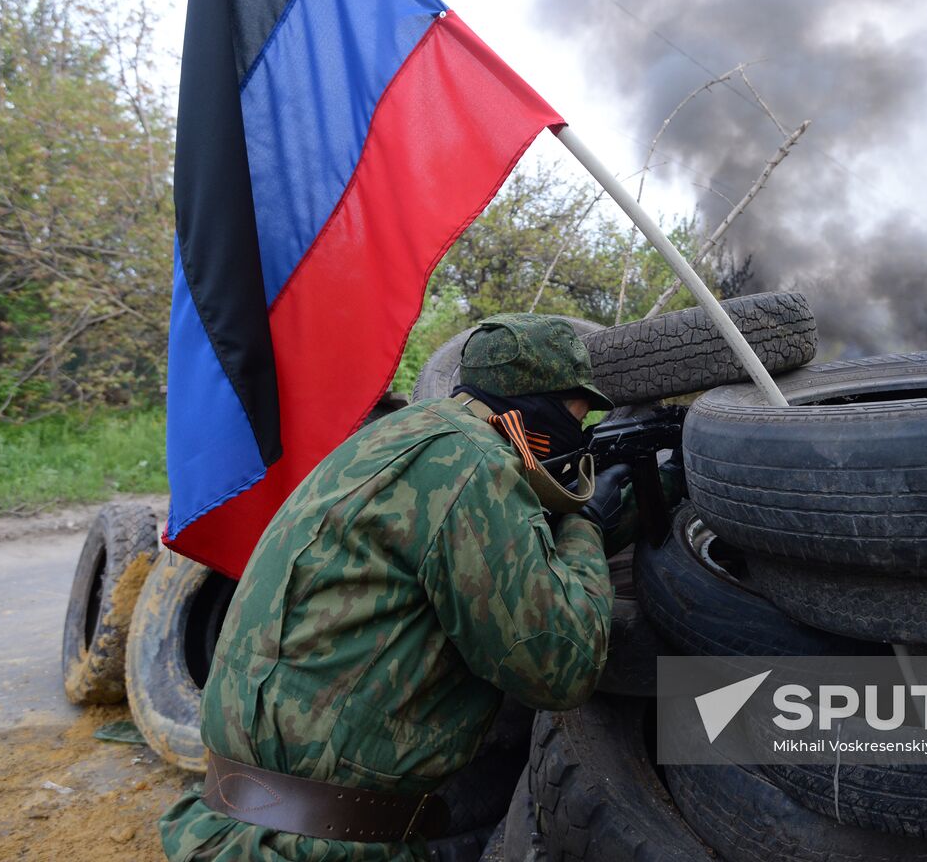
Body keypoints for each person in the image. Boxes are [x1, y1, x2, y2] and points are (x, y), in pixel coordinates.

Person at [160, 313, 651, 861]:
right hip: (317, 846)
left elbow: (488, 544)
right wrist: (589, 524)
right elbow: (560, 666)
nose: (577, 433)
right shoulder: (474, 463)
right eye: (576, 415)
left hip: (232, 818)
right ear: (540, 405)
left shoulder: (403, 436)